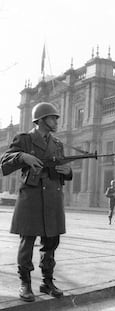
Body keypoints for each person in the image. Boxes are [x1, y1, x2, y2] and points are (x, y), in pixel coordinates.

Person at [0, 102, 72, 302]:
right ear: (40, 120)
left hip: (53, 198)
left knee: (51, 242)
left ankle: (47, 282)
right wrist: (23, 156)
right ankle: (25, 283)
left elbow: (62, 168)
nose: (56, 121)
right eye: (53, 117)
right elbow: (4, 161)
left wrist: (68, 172)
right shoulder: (25, 140)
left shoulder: (57, 144)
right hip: (31, 198)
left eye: (56, 118)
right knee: (27, 242)